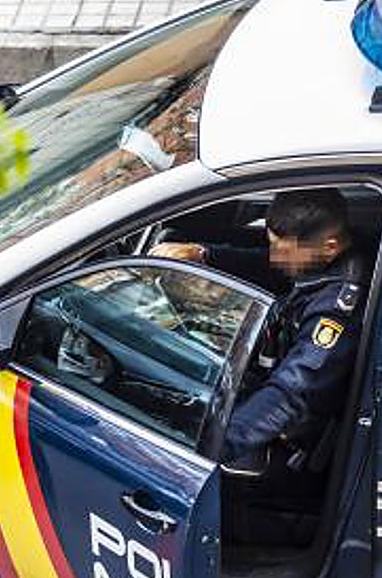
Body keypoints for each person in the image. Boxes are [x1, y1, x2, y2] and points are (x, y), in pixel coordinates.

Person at [152, 189, 370, 473]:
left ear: (329, 246)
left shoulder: (336, 310)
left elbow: (293, 393)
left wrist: (210, 448)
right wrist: (203, 254)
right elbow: (271, 264)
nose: (274, 257)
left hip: (292, 443)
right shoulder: (322, 258)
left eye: (281, 250)